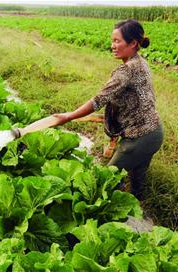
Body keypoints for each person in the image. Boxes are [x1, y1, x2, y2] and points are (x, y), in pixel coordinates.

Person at [52, 19, 164, 200]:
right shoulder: (140, 62)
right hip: (155, 132)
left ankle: (107, 211)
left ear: (133, 43)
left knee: (108, 178)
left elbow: (98, 100)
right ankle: (135, 206)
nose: (112, 46)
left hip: (141, 137)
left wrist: (69, 116)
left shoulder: (126, 71)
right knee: (136, 179)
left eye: (117, 41)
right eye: (112, 41)